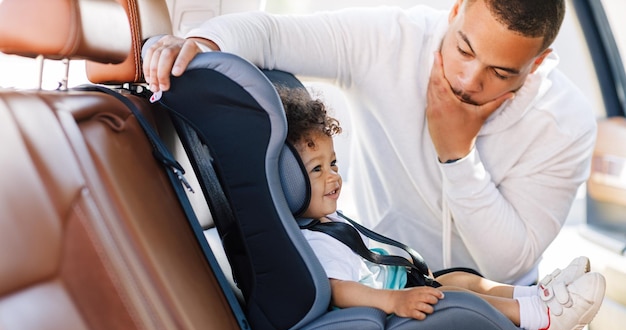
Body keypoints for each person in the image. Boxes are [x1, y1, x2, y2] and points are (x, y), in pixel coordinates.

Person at [142, 0, 597, 285]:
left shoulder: (566, 123)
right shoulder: (392, 41)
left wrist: (456, 154)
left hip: (497, 303)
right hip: (390, 282)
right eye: (463, 50)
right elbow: (273, 35)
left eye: (501, 72)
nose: (468, 80)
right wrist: (202, 43)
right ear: (456, 10)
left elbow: (506, 264)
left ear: (538, 64)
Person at [276, 85, 604, 330]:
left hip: (400, 291)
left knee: (464, 280)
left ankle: (540, 298)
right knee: (456, 296)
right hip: (386, 325)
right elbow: (339, 290)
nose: (332, 177)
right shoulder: (314, 241)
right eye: (316, 169)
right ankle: (543, 317)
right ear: (286, 180)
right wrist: (393, 299)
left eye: (332, 164)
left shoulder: (327, 223)